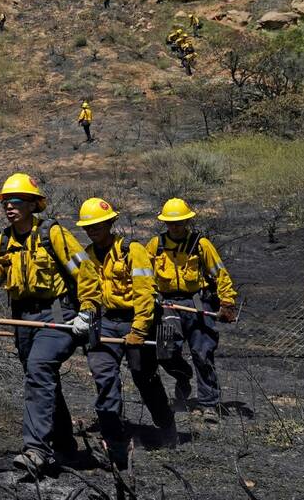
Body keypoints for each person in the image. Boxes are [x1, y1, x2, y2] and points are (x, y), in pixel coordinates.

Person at [0, 174, 100, 473]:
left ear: (32, 204)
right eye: (6, 203)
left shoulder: (54, 234)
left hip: (57, 316)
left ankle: (36, 449)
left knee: (39, 369)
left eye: (16, 202)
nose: (9, 207)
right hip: (22, 320)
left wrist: (87, 311)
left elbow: (86, 274)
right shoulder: (2, 243)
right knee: (42, 376)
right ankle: (65, 446)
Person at [75, 198, 176, 466]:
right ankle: (115, 440)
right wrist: (86, 313)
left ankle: (166, 426)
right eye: (88, 226)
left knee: (145, 378)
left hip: (136, 319)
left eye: (97, 225)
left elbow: (144, 294)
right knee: (103, 375)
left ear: (110, 223)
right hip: (106, 321)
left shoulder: (133, 251)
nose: (92, 230)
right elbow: (88, 291)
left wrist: (139, 331)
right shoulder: (89, 255)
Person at [144, 198, 238, 423]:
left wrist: (227, 302)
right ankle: (183, 375)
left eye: (179, 222)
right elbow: (143, 277)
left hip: (197, 303)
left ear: (187, 221)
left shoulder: (201, 244)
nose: (175, 227)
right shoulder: (155, 246)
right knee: (165, 351)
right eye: (170, 223)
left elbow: (220, 274)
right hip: (166, 305)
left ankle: (209, 404)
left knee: (203, 353)